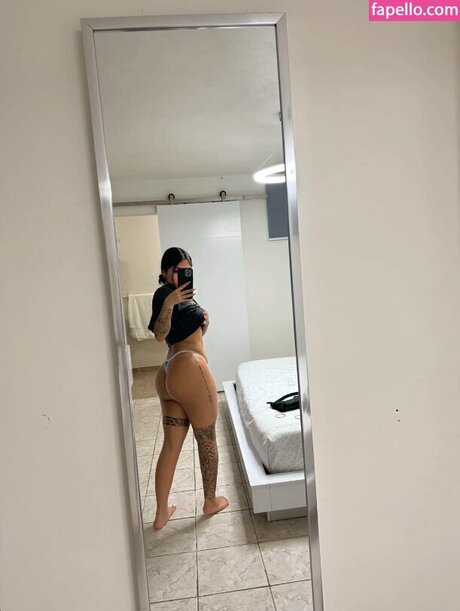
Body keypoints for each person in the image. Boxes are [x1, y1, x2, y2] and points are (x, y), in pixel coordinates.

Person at [147, 246, 229, 529]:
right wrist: (171, 301)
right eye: (176, 271)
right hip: (189, 369)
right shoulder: (164, 295)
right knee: (207, 438)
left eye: (186, 271)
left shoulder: (184, 297)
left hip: (170, 373)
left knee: (171, 446)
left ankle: (161, 513)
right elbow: (160, 335)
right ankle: (210, 501)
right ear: (164, 272)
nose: (180, 276)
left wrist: (203, 324)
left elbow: (184, 334)